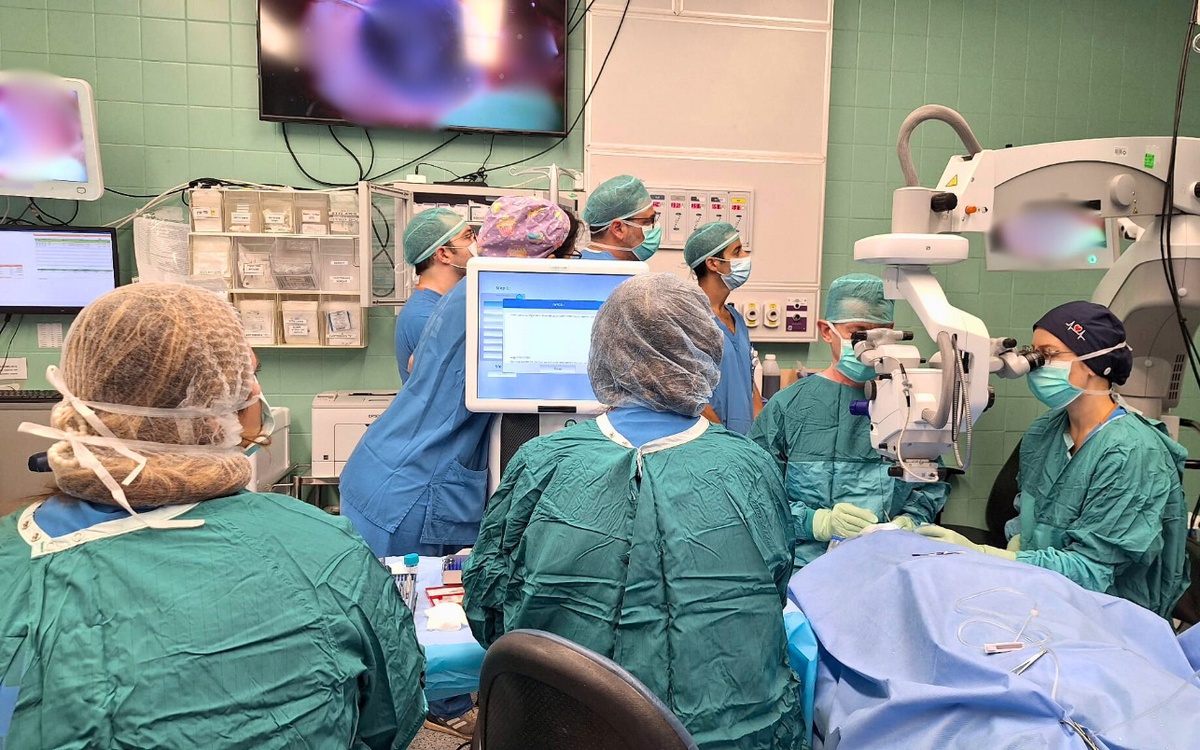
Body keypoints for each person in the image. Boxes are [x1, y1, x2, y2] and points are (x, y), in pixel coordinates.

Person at [0, 284, 426, 749]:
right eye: (248, 373)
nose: (255, 390)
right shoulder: (322, 554)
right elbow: (389, 716)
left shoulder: (12, 559)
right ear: (220, 398)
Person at [463, 273, 801, 750]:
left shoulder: (541, 464)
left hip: (563, 733)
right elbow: (771, 592)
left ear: (603, 353)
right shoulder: (749, 468)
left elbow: (488, 608)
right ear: (704, 354)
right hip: (728, 735)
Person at [339, 196, 573, 740]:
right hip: (412, 486)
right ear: (541, 255)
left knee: (404, 616)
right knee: (420, 620)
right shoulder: (495, 298)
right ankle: (440, 710)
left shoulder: (466, 290)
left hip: (392, 465)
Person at [918, 301, 1190, 619]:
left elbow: (1092, 571)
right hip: (1043, 596)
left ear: (1093, 363)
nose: (1034, 365)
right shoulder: (1045, 431)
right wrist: (1014, 554)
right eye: (1033, 353)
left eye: (1047, 354)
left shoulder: (1133, 452)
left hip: (1110, 616)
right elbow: (1028, 521)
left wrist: (987, 556)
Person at [749, 273, 950, 567]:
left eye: (881, 334)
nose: (870, 345)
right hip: (805, 568)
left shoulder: (912, 404)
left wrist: (909, 522)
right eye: (858, 333)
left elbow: (928, 482)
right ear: (827, 331)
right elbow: (756, 494)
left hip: (888, 563)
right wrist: (816, 522)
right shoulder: (788, 407)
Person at [684, 221, 761, 434]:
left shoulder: (736, 319)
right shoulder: (691, 320)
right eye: (737, 251)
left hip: (743, 440)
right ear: (713, 263)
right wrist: (724, 439)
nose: (745, 256)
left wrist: (760, 435)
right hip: (712, 441)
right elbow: (689, 393)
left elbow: (748, 383)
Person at [395, 207, 478, 382]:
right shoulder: (424, 317)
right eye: (468, 237)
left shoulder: (444, 305)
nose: (477, 243)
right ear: (444, 254)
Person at [580, 174, 661, 262]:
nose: (656, 226)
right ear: (618, 229)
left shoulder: (575, 263)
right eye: (648, 221)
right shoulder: (612, 270)